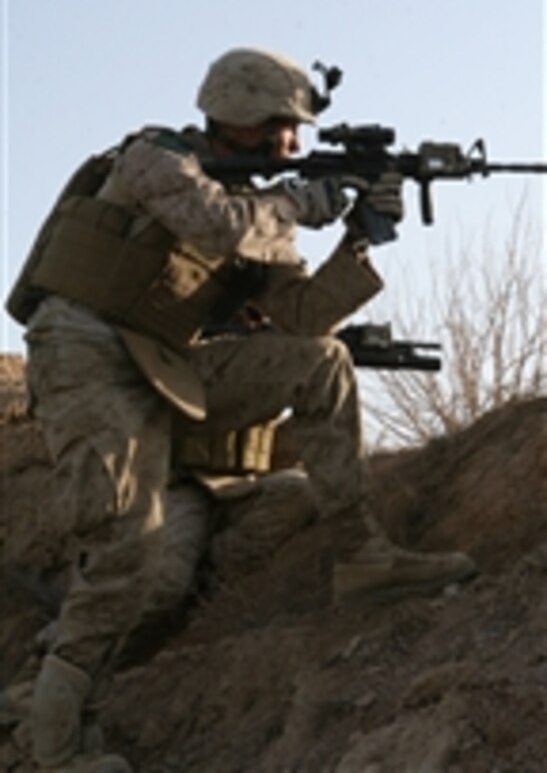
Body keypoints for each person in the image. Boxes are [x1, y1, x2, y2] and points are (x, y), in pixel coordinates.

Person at [5, 47, 476, 772]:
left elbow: (302, 315)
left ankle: (362, 555)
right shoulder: (154, 155)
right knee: (130, 549)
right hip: (86, 348)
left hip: (166, 364)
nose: (294, 143)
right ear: (241, 108)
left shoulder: (262, 211)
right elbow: (215, 223)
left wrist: (361, 237)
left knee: (321, 362)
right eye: (285, 125)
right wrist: (300, 201)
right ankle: (52, 749)